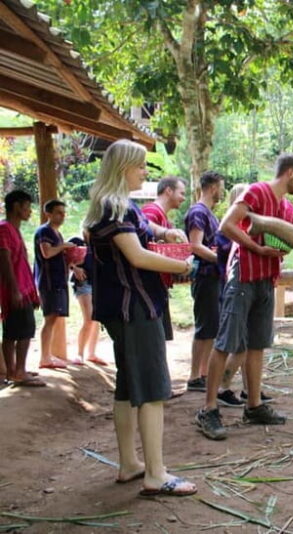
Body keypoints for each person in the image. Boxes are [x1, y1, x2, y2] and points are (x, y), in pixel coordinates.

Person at [84, 139, 196, 497]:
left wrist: (166, 232)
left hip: (120, 309)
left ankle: (130, 463)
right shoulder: (116, 208)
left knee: (128, 387)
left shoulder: (115, 207)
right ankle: (156, 474)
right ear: (123, 168)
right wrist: (182, 264)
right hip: (135, 307)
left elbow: (144, 234)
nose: (145, 172)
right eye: (141, 166)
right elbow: (138, 256)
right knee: (152, 390)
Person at [196, 154, 293, 440]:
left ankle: (254, 406)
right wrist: (257, 249)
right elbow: (227, 225)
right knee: (226, 342)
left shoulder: (286, 207)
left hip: (266, 279)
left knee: (257, 344)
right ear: (289, 173)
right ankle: (209, 410)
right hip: (244, 276)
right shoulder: (257, 192)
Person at [212, 183, 271, 408]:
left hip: (243, 288)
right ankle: (222, 389)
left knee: (250, 345)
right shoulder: (230, 233)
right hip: (234, 288)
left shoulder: (242, 230)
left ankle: (250, 391)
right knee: (237, 347)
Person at [184, 170, 224, 392]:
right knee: (205, 326)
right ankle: (194, 376)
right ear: (213, 187)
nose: (222, 192)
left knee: (211, 326)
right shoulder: (198, 212)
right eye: (222, 187)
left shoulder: (208, 212)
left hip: (214, 277)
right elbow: (195, 245)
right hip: (205, 277)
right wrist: (221, 258)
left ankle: (203, 372)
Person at [0, 190, 44, 387]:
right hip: (15, 289)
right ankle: (17, 372)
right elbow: (6, 261)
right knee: (21, 331)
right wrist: (15, 289)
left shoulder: (13, 229)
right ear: (16, 206)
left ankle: (16, 370)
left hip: (23, 288)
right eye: (27, 207)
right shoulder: (4, 229)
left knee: (18, 329)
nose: (29, 211)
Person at [141, 176, 188, 342]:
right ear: (168, 191)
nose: (184, 198)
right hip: (151, 284)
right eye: (181, 193)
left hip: (159, 284)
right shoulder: (151, 212)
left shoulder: (161, 215)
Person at [34, 199, 79, 369]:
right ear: (49, 213)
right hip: (49, 281)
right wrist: (63, 246)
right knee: (49, 318)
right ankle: (45, 357)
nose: (62, 216)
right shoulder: (44, 231)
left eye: (63, 213)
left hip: (58, 281)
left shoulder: (56, 233)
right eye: (58, 212)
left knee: (53, 318)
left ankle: (48, 355)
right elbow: (47, 253)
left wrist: (73, 263)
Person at [67, 234, 106, 366]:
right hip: (84, 284)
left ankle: (91, 353)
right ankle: (79, 353)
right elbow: (63, 256)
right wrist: (74, 268)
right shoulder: (77, 241)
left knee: (97, 319)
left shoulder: (100, 244)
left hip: (98, 284)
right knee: (89, 319)